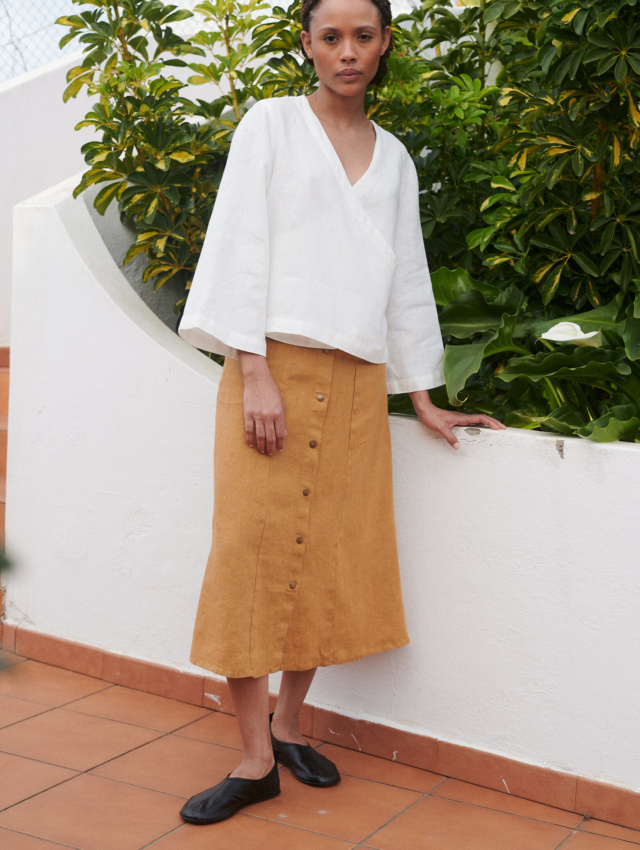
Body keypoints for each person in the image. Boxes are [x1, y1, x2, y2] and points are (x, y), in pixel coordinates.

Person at [177, 0, 505, 826]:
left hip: (357, 385)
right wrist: (252, 369)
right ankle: (254, 762)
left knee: (328, 556)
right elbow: (241, 243)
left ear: (385, 42)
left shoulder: (394, 157)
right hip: (272, 371)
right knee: (249, 559)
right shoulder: (271, 125)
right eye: (332, 37)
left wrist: (423, 396)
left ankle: (290, 726)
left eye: (364, 36)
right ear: (307, 44)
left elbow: (405, 279)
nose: (348, 52)